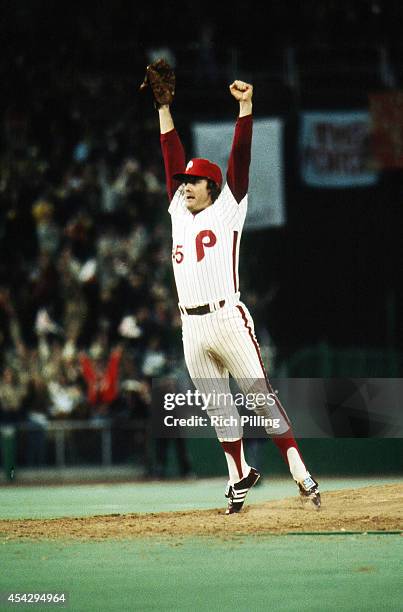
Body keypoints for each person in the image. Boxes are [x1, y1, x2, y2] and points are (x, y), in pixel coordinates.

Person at [157, 75, 320, 514]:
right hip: (190, 325)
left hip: (228, 317)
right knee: (219, 410)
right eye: (182, 181)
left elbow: (240, 158)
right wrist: (164, 109)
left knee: (260, 397)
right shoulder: (177, 211)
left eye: (193, 181)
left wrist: (245, 108)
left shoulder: (229, 207)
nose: (185, 186)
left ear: (212, 187)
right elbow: (170, 151)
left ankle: (301, 473)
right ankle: (238, 477)